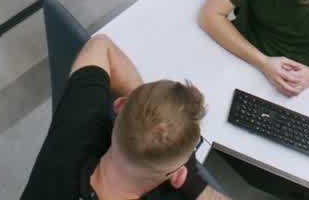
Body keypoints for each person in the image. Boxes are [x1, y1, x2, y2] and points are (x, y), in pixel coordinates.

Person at [19, 34, 230, 199]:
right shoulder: (176, 186)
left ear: (120, 104)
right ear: (178, 174)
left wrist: (141, 108)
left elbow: (101, 46)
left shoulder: (74, 132)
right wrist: (193, 181)